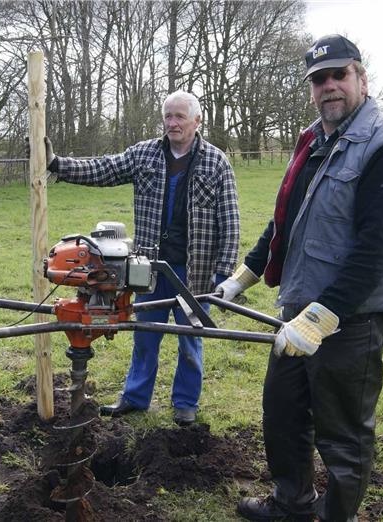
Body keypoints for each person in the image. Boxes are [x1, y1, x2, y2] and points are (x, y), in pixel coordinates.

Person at [216, 34, 383, 521]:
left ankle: (338, 516)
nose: (329, 86)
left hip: (354, 315)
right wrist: (242, 277)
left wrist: (320, 319)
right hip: (300, 305)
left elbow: (377, 251)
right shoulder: (315, 139)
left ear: (361, 78)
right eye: (319, 79)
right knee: (283, 412)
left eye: (339, 75)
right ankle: (292, 504)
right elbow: (285, 218)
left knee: (343, 431)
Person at [42, 90, 240, 426]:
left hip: (196, 271)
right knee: (145, 335)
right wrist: (58, 165)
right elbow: (104, 168)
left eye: (179, 116)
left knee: (190, 339)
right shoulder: (146, 154)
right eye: (168, 116)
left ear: (197, 120)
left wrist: (223, 274)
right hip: (149, 269)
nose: (173, 123)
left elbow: (231, 221)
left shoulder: (216, 162)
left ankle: (185, 404)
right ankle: (135, 398)